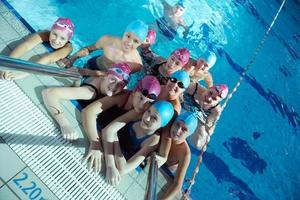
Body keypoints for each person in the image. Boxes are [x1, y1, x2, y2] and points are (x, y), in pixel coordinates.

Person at [82, 75, 161, 172]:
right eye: (140, 98)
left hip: (103, 129)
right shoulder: (122, 97)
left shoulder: (140, 111)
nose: (142, 106)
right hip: (89, 107)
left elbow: (110, 131)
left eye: (148, 103)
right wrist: (95, 144)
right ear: (134, 92)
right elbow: (88, 112)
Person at [42, 63, 131, 141]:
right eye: (113, 79)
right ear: (105, 76)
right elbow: (49, 93)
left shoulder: (112, 84)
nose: (115, 86)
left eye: (120, 84)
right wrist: (65, 125)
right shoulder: (90, 92)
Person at [101, 101, 175, 186]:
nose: (147, 118)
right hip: (109, 154)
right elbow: (107, 131)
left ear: (162, 125)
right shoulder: (138, 115)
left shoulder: (153, 139)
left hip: (111, 152)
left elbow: (123, 169)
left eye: (154, 118)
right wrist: (110, 165)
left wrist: (115, 139)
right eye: (148, 111)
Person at [0, 18, 74, 80]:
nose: (56, 40)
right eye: (54, 34)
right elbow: (26, 45)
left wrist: (22, 73)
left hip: (61, 55)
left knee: (62, 63)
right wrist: (8, 64)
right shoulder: (45, 34)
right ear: (51, 31)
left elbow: (48, 58)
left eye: (62, 38)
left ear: (67, 40)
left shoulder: (67, 48)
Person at [60, 20, 148, 72]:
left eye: (135, 41)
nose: (129, 43)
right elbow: (89, 49)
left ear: (140, 44)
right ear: (124, 33)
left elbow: (120, 78)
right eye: (128, 36)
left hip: (108, 79)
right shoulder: (108, 40)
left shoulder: (136, 63)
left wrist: (87, 73)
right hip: (94, 64)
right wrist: (72, 58)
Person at [157, 112, 198, 200]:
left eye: (184, 129)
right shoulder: (165, 131)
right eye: (177, 124)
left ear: (189, 134)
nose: (177, 130)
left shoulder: (185, 154)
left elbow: (177, 184)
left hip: (167, 174)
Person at [183, 83, 228, 149]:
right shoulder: (193, 88)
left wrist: (203, 124)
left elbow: (209, 129)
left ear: (217, 102)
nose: (209, 98)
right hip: (185, 105)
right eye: (210, 93)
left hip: (196, 117)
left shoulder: (215, 111)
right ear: (209, 88)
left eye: (214, 98)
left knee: (199, 143)